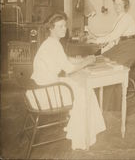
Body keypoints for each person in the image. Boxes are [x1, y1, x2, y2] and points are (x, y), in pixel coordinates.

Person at [27, 12, 106, 150]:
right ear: (51, 28)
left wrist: (79, 60)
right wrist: (86, 61)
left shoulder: (50, 43)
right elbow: (69, 69)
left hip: (40, 86)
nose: (64, 29)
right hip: (46, 93)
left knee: (80, 85)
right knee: (84, 90)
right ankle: (82, 137)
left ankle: (81, 129)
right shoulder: (53, 45)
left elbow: (64, 60)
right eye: (60, 26)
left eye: (65, 26)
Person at [87, 0, 135, 110]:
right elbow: (111, 33)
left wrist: (96, 40)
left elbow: (114, 35)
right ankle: (101, 102)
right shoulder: (120, 17)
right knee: (102, 59)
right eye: (115, 4)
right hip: (121, 46)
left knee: (108, 69)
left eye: (119, 4)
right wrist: (95, 37)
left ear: (125, 5)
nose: (116, 6)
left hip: (128, 49)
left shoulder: (127, 18)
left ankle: (110, 104)